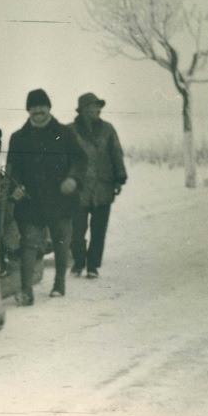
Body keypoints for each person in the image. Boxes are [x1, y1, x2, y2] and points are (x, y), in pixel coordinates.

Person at [5, 88, 87, 305]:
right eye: (32, 107)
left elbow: (80, 160)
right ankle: (26, 291)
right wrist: (16, 186)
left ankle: (59, 283)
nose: (37, 110)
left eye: (41, 106)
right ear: (28, 110)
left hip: (61, 198)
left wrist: (73, 179)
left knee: (61, 243)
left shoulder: (64, 133)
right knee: (29, 244)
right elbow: (13, 169)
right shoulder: (18, 137)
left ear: (49, 108)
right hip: (31, 200)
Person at [68, 92, 127, 280]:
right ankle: (78, 261)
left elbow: (116, 153)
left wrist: (119, 178)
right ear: (83, 109)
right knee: (76, 232)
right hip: (78, 189)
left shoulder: (108, 129)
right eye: (94, 106)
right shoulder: (70, 130)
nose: (98, 109)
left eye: (99, 106)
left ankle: (93, 266)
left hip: (103, 187)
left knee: (99, 230)